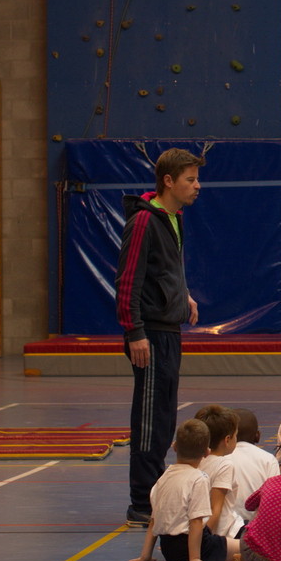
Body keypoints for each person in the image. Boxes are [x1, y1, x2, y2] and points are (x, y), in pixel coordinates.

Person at [118, 147, 202, 526]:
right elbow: (128, 281)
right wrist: (135, 332)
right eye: (190, 179)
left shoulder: (173, 219)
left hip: (169, 330)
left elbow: (164, 269)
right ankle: (141, 503)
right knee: (150, 419)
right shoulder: (142, 222)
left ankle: (154, 494)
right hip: (148, 334)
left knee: (166, 417)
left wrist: (182, 295)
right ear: (168, 181)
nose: (197, 186)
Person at [128, 418, 237, 561]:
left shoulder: (164, 477)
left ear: (174, 447)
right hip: (195, 546)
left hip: (168, 548)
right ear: (207, 452)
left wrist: (145, 555)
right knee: (244, 546)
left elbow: (154, 519)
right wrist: (195, 558)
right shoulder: (198, 478)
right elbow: (196, 521)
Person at [192, 405, 243, 536]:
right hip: (222, 532)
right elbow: (216, 510)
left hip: (197, 530)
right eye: (235, 435)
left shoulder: (193, 460)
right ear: (227, 440)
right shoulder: (224, 465)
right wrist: (202, 540)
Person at [229, 407, 281, 502]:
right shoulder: (268, 460)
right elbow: (274, 497)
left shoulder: (219, 458)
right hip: (257, 515)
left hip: (224, 516)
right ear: (258, 436)